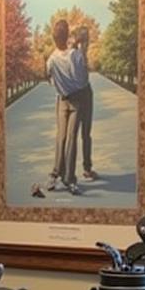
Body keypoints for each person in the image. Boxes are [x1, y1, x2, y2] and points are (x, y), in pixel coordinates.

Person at [45, 18, 90, 195]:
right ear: (67, 36)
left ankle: (56, 173)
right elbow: (82, 81)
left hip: (62, 100)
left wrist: (60, 83)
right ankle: (69, 179)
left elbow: (49, 78)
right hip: (77, 99)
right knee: (71, 138)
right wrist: (79, 51)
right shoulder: (75, 55)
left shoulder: (52, 59)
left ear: (54, 38)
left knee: (61, 137)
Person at [72, 26, 97, 181]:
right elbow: (82, 79)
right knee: (85, 134)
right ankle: (87, 169)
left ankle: (71, 172)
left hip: (75, 96)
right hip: (84, 95)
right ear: (84, 40)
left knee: (74, 135)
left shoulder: (72, 53)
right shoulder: (80, 54)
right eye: (87, 39)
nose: (88, 42)